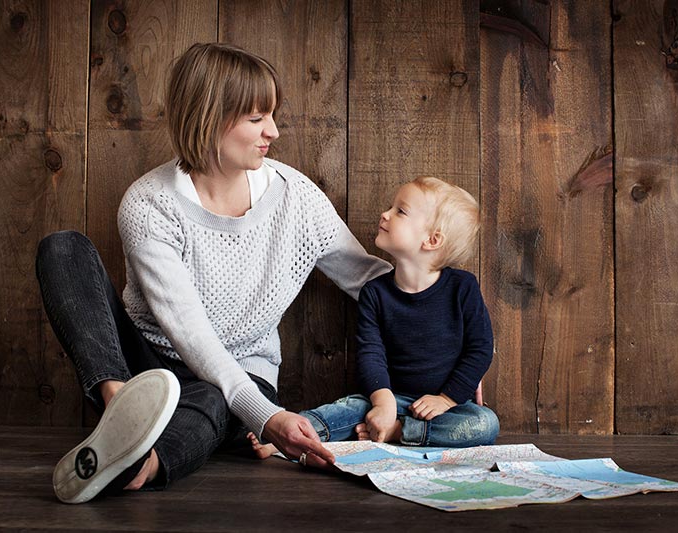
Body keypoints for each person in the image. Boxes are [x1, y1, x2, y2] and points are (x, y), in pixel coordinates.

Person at [35, 42, 391, 504]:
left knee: (212, 398)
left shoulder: (294, 197)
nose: (274, 132)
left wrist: (450, 333)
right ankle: (121, 409)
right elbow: (189, 331)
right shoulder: (149, 204)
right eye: (257, 118)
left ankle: (140, 463)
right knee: (63, 248)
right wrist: (267, 419)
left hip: (240, 375)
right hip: (145, 366)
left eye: (272, 115)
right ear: (210, 117)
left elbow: (368, 279)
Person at [250, 176, 498, 458]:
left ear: (432, 240)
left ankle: (399, 432)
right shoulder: (376, 293)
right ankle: (287, 436)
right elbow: (371, 352)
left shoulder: (462, 288)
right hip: (390, 397)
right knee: (347, 410)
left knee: (485, 424)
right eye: (391, 207)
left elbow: (479, 349)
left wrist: (447, 398)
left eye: (400, 211)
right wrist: (382, 402)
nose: (385, 214)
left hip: (445, 408)